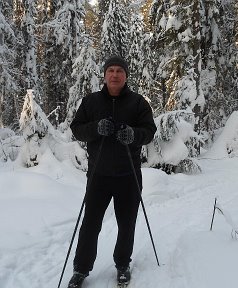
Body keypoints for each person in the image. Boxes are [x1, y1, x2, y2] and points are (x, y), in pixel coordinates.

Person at [67, 55, 157, 288]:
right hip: (98, 175)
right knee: (90, 224)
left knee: (126, 224)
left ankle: (122, 265)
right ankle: (81, 269)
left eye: (119, 71)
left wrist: (133, 135)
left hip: (128, 176)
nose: (115, 74)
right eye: (111, 71)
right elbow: (77, 129)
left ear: (126, 75)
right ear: (105, 75)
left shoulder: (138, 103)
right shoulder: (91, 102)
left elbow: (149, 131)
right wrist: (96, 129)